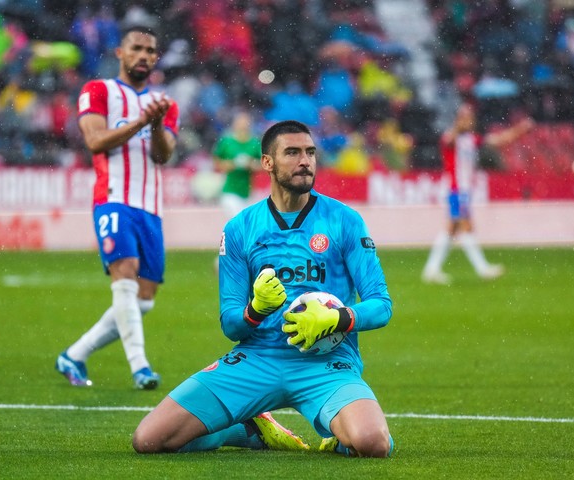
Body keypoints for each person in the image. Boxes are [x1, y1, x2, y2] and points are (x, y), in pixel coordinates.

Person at [132, 120, 394, 457]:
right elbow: (230, 323)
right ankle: (247, 429)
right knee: (150, 440)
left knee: (373, 444)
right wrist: (255, 310)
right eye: (293, 152)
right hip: (257, 358)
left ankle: (341, 433)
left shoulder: (345, 220)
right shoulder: (240, 228)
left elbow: (381, 304)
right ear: (267, 163)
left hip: (327, 362)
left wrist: (339, 318)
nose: (306, 161)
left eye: (310, 152)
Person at [55, 25, 180, 389]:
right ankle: (140, 367)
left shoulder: (165, 104)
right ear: (120, 54)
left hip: (150, 207)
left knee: (144, 300)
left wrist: (155, 124)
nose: (144, 55)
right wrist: (142, 121)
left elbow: (163, 154)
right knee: (124, 272)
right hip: (113, 199)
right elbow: (94, 141)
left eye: (150, 50)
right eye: (136, 48)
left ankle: (74, 355)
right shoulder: (98, 91)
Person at [422, 103, 533, 284]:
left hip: (463, 190)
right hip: (455, 189)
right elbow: (448, 141)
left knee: (452, 229)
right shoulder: (451, 137)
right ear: (458, 119)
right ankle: (482, 269)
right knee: (465, 226)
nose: (469, 121)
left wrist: (520, 129)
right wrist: (460, 124)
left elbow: (499, 140)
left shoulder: (472, 139)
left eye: (470, 118)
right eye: (465, 117)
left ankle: (431, 270)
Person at [212, 110, 262, 219]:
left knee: (248, 225)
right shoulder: (227, 142)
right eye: (240, 123)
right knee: (238, 222)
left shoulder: (254, 143)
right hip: (230, 191)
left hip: (248, 192)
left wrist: (251, 164)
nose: (243, 127)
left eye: (245, 124)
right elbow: (216, 163)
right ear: (235, 125)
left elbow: (263, 165)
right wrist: (232, 164)